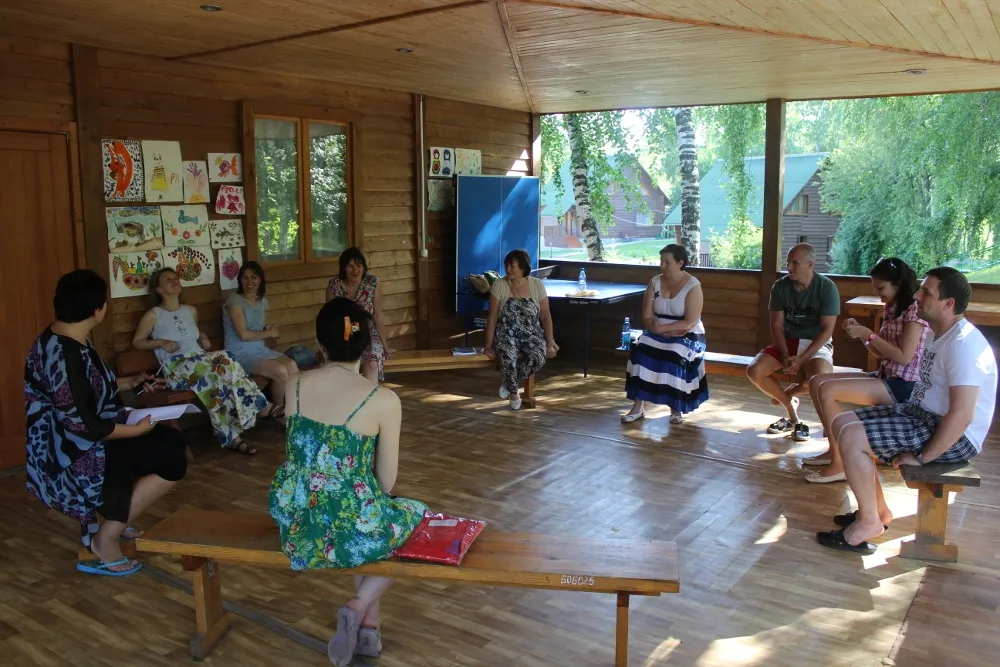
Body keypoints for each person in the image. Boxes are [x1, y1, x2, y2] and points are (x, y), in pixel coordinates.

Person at [269, 298, 428, 665]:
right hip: (343, 518)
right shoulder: (383, 400)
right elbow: (385, 482)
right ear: (367, 346)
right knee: (410, 522)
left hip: (296, 516)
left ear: (319, 344)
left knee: (364, 528)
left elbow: (301, 452)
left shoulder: (294, 384)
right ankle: (359, 605)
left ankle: (370, 630)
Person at [816, 267, 997, 554]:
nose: (916, 296)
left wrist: (923, 457)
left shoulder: (963, 345)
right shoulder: (941, 334)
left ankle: (868, 524)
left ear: (948, 303)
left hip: (955, 437)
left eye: (926, 292)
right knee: (842, 422)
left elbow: (962, 416)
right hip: (922, 416)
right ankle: (876, 512)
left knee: (852, 436)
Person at [25, 269, 187, 576]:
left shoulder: (66, 336)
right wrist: (135, 430)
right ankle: (106, 538)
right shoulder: (65, 355)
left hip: (88, 435)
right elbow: (83, 427)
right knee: (172, 460)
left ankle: (118, 513)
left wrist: (134, 383)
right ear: (97, 311)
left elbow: (92, 388)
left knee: (172, 441)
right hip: (68, 452)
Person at [803, 258, 928, 483]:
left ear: (898, 284)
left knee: (827, 391)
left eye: (880, 288)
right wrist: (862, 334)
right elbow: (880, 352)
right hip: (887, 377)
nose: (876, 293)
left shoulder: (914, 311)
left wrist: (867, 334)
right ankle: (834, 450)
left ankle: (841, 464)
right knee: (817, 382)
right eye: (874, 288)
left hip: (905, 386)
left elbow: (903, 357)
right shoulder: (894, 307)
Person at [133, 268, 280, 455]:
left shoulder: (190, 310)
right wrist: (160, 342)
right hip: (177, 368)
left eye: (176, 278)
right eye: (168, 280)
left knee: (217, 382)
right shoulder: (154, 314)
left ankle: (233, 438)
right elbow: (137, 342)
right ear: (159, 289)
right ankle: (260, 406)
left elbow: (190, 332)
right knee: (222, 360)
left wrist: (201, 336)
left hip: (200, 364)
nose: (174, 281)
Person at [747, 243, 840, 441]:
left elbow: (826, 330)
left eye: (795, 263)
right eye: (788, 262)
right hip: (788, 342)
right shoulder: (780, 286)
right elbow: (776, 326)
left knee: (821, 379)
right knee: (754, 370)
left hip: (816, 343)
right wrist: (784, 355)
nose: (789, 267)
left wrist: (802, 359)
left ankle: (800, 399)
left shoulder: (826, 287)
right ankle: (790, 408)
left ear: (810, 264)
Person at [622, 244, 708, 424]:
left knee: (675, 354)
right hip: (657, 330)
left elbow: (690, 321)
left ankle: (676, 408)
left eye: (667, 262)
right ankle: (638, 407)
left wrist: (663, 330)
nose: (662, 266)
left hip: (686, 333)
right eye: (661, 261)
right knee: (641, 349)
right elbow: (647, 316)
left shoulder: (693, 286)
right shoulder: (655, 282)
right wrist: (658, 330)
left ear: (680, 263)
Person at [483, 249, 558, 409]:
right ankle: (514, 392)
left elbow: (546, 316)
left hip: (532, 334)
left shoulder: (537, 285)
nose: (508, 269)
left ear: (523, 267)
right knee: (508, 356)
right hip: (506, 334)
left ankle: (510, 381)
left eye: (512, 266)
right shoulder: (499, 285)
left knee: (538, 356)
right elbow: (492, 317)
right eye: (507, 265)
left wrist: (550, 343)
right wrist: (488, 346)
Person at [224, 261, 299, 410]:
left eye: (254, 277)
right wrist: (269, 333)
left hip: (260, 350)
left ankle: (294, 410)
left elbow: (259, 329)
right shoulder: (235, 301)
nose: (250, 282)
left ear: (260, 280)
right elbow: (243, 335)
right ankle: (278, 412)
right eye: (245, 277)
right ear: (240, 280)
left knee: (292, 365)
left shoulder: (262, 301)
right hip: (240, 354)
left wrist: (268, 330)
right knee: (280, 371)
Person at [326, 247, 393, 383]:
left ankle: (370, 395)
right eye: (350, 266)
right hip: (344, 332)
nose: (355, 270)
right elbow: (329, 319)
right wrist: (327, 346)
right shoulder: (334, 286)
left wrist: (385, 346)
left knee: (371, 364)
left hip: (368, 331)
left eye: (359, 265)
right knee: (346, 365)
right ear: (343, 268)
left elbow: (378, 315)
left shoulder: (373, 283)